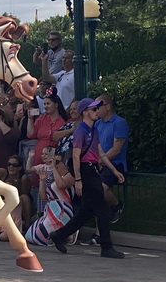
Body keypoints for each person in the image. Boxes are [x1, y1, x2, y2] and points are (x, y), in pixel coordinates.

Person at [50, 98, 126, 259]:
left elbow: (101, 153)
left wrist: (113, 170)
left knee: (86, 212)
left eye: (97, 109)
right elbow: (77, 157)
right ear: (85, 112)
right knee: (103, 210)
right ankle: (106, 247)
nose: (97, 111)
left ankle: (59, 235)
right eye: (93, 109)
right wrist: (78, 180)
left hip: (92, 170)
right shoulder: (81, 131)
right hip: (86, 171)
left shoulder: (94, 130)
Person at [95, 94, 129, 221]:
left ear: (107, 107)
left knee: (101, 189)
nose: (96, 110)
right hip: (99, 162)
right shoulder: (97, 124)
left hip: (115, 163)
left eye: (98, 107)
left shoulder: (120, 123)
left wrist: (101, 160)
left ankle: (116, 204)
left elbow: (117, 149)